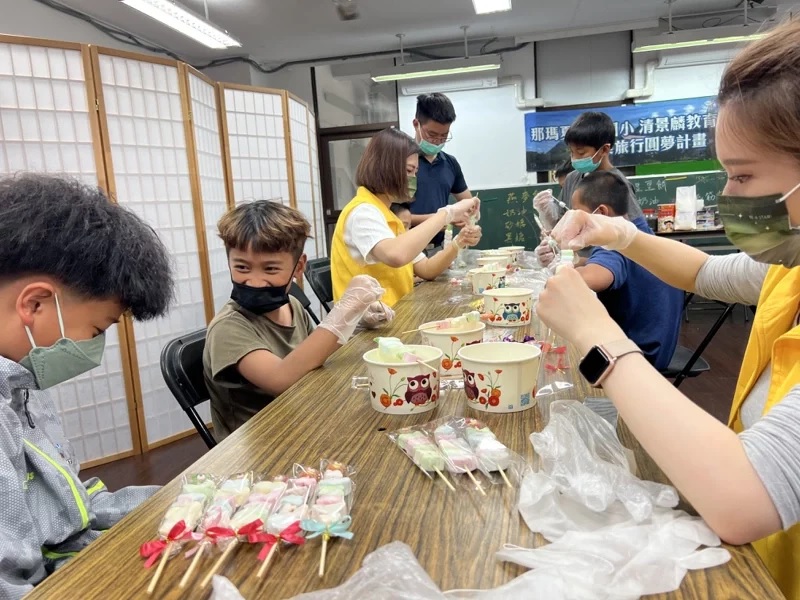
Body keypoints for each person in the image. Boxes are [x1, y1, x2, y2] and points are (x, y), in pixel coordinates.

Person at [536, 20, 800, 599]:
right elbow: (705, 272)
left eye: (743, 174)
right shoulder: (791, 264)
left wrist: (598, 337)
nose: (728, 196)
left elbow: (744, 499)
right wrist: (621, 234)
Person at [0, 174, 174, 597]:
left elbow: (67, 506)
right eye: (97, 330)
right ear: (34, 304)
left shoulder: (23, 384)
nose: (95, 346)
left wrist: (181, 499)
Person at [203, 201, 387, 441]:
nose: (255, 281)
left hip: (302, 420)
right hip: (260, 444)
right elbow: (279, 379)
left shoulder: (292, 306)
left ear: (298, 266)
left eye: (270, 269)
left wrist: (355, 322)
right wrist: (343, 313)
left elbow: (313, 359)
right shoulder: (228, 327)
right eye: (242, 267)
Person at [536, 171, 683, 369]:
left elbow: (593, 277)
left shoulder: (615, 245)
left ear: (601, 213)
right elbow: (611, 264)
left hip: (637, 358)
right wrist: (573, 260)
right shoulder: (637, 231)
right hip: (659, 346)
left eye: (577, 213)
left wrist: (561, 266)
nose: (572, 220)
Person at [331, 128, 481, 307]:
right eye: (409, 171)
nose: (413, 179)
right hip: (367, 323)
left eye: (415, 172)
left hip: (397, 315)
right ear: (385, 168)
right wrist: (448, 213)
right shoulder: (362, 212)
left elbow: (426, 269)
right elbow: (396, 255)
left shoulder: (389, 216)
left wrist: (459, 242)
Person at [534, 111, 644, 232]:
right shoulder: (572, 179)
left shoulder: (618, 184)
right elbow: (561, 224)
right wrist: (548, 216)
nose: (575, 158)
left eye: (581, 152)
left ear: (604, 149)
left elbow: (639, 233)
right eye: (571, 152)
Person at [408, 93, 478, 250]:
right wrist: (443, 218)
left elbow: (468, 204)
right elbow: (392, 217)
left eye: (444, 136)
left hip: (439, 249)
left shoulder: (450, 163)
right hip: (407, 249)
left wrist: (469, 217)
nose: (437, 141)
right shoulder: (401, 162)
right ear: (416, 124)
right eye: (432, 134)